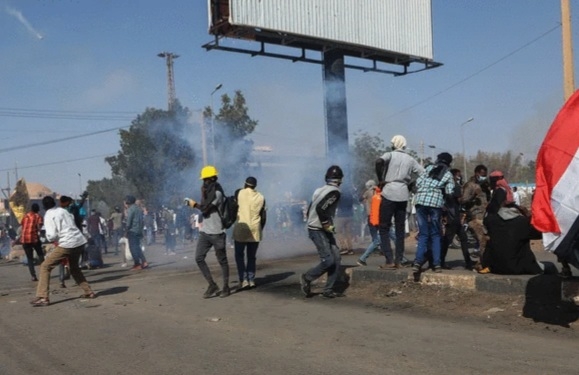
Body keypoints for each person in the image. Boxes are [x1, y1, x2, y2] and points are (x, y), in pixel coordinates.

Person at [30, 196, 95, 307]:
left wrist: (50, 238)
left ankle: (43, 297)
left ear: (44, 206)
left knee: (45, 266)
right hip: (79, 241)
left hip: (67, 243)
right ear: (54, 203)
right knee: (74, 268)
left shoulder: (49, 215)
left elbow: (51, 236)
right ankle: (89, 292)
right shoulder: (63, 211)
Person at [375, 135, 424, 269]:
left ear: (393, 144)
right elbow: (423, 173)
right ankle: (398, 261)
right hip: (403, 194)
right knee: (400, 229)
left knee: (384, 227)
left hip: (389, 192)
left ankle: (389, 260)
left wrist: (380, 179)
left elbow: (378, 162)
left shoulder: (389, 155)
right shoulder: (410, 159)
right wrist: (412, 184)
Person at [184, 165, 230, 298]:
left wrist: (194, 205)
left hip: (217, 232)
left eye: (205, 180)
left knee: (222, 261)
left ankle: (226, 287)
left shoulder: (217, 193)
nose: (204, 183)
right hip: (205, 232)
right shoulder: (208, 193)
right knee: (199, 258)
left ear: (211, 179)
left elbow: (206, 209)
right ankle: (212, 284)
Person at [300, 165, 344, 299]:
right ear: (340, 180)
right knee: (329, 260)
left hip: (317, 227)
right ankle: (307, 278)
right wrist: (326, 225)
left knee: (336, 257)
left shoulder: (319, 190)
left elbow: (311, 208)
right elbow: (321, 209)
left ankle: (328, 289)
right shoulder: (335, 192)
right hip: (318, 229)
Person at [481, 184, 543, 275]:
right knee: (549, 268)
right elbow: (539, 233)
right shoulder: (521, 222)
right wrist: (528, 215)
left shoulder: (491, 221)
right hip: (517, 267)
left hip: (496, 267)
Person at [411, 152, 455, 274]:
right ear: (449, 162)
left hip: (420, 201)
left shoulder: (428, 168)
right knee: (436, 234)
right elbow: (450, 193)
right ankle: (436, 264)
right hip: (435, 204)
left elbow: (418, 183)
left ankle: (417, 262)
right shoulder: (448, 174)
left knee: (423, 234)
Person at [233, 176, 266, 289]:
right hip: (255, 229)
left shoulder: (239, 193)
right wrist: (260, 228)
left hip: (241, 228)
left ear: (245, 184)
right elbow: (263, 216)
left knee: (239, 255)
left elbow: (233, 208)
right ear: (255, 186)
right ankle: (251, 279)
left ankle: (243, 279)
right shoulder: (261, 197)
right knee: (251, 256)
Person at [440, 168, 474, 270]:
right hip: (454, 217)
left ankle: (468, 262)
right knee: (448, 240)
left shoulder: (446, 187)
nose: (460, 177)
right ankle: (440, 261)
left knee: (462, 239)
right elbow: (460, 201)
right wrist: (472, 196)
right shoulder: (456, 186)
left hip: (452, 216)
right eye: (459, 175)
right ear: (454, 175)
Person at [459, 164, 490, 269]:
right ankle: (481, 264)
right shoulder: (470, 185)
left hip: (484, 216)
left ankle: (482, 262)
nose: (483, 177)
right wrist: (473, 196)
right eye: (482, 175)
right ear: (476, 174)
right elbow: (462, 201)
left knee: (486, 240)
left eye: (485, 175)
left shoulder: (484, 185)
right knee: (482, 240)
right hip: (474, 217)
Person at [357, 180, 381, 266]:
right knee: (381, 237)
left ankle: (375, 249)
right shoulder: (378, 191)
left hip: (370, 216)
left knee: (376, 238)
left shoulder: (367, 192)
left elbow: (360, 199)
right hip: (378, 216)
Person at [20, 203, 45, 282]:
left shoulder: (25, 216)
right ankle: (44, 273)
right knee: (41, 255)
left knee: (29, 258)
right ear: (38, 210)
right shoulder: (38, 216)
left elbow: (22, 224)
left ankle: (33, 276)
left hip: (24, 239)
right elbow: (39, 227)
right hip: (33, 239)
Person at [125, 195, 148, 270]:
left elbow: (129, 222)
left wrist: (126, 231)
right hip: (139, 230)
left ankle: (137, 264)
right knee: (138, 247)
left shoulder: (131, 209)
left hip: (132, 230)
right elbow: (142, 220)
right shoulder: (139, 209)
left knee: (133, 248)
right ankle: (144, 262)